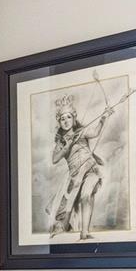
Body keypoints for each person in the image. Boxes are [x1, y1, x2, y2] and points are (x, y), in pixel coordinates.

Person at [45, 93, 115, 237]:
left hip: (90, 170)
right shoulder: (61, 142)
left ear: (74, 118)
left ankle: (84, 233)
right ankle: (66, 228)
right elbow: (54, 159)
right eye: (62, 118)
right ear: (59, 121)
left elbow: (95, 132)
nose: (66, 121)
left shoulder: (81, 132)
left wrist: (103, 117)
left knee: (86, 195)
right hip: (74, 178)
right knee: (62, 209)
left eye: (68, 117)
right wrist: (67, 146)